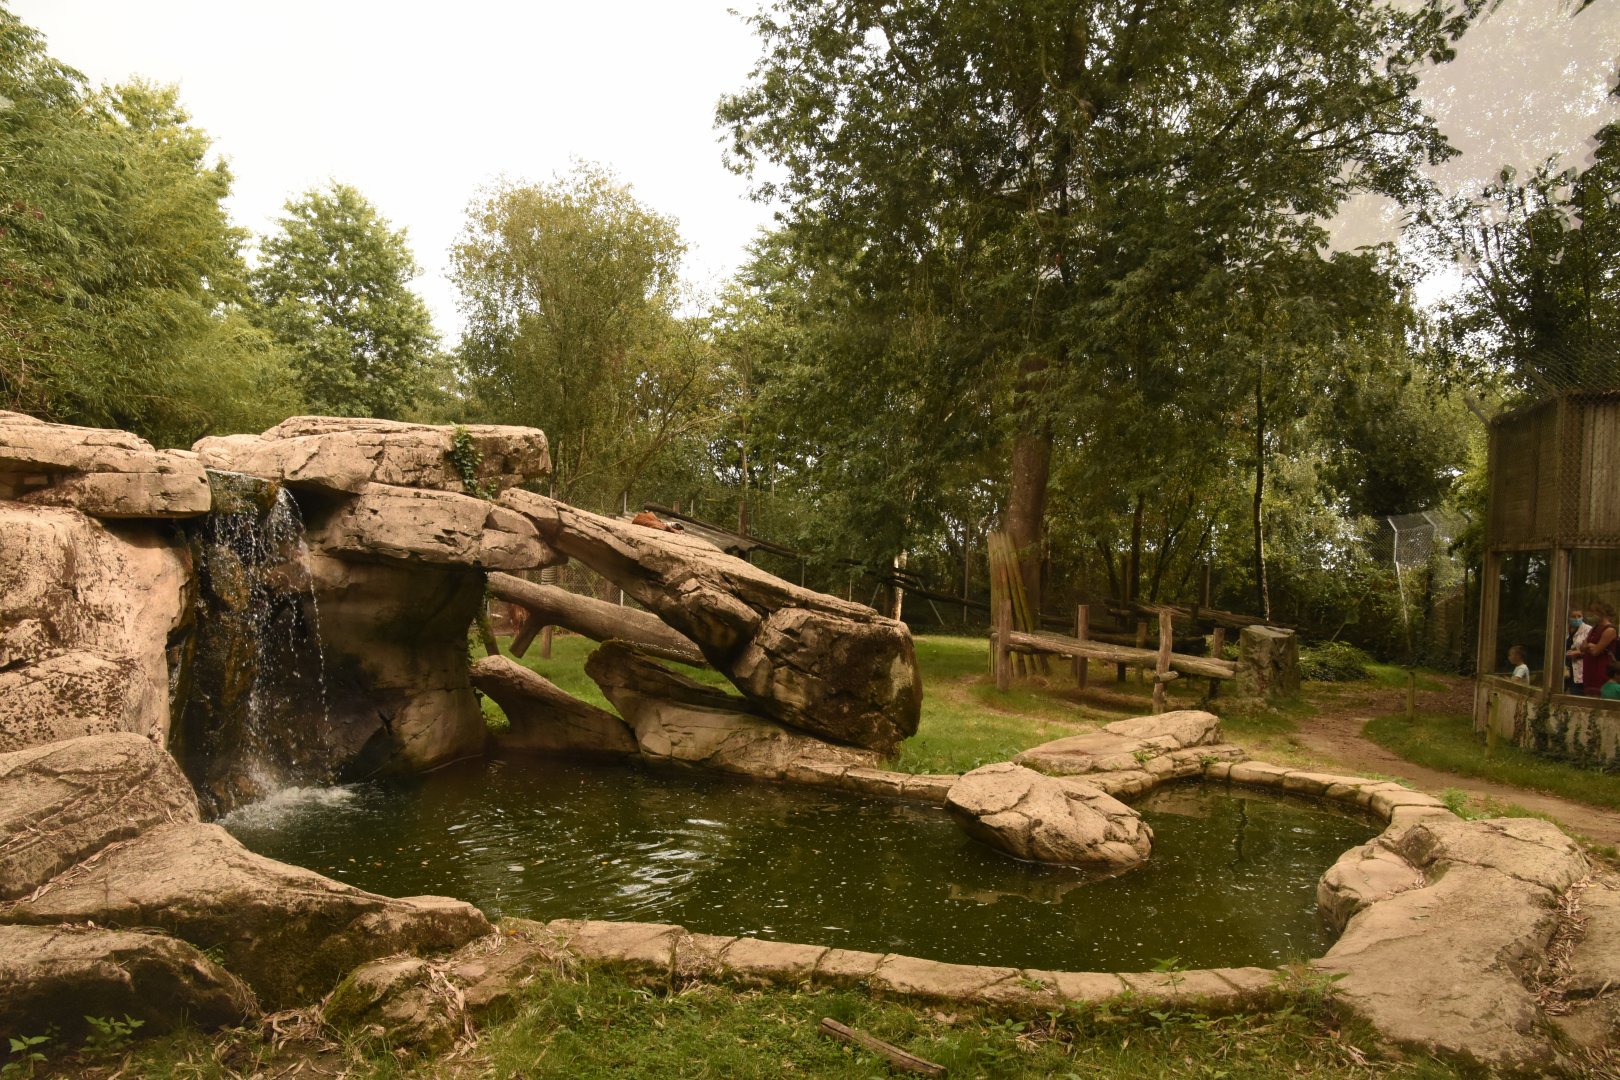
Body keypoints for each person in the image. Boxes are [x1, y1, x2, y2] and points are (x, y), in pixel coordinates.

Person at [1577, 600, 1618, 697]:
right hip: (1589, 668)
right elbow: (1582, 647)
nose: (1590, 614)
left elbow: (1596, 651)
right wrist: (1590, 646)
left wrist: (1590, 646)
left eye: (1592, 611)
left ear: (1601, 613)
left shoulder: (1609, 630)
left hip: (1601, 668)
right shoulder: (1594, 628)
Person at [1566, 609, 1592, 692]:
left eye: (1579, 616)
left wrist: (1578, 653)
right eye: (1573, 616)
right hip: (1567, 667)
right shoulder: (1565, 629)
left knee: (1578, 691)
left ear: (1582, 617)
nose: (1577, 619)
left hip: (1581, 667)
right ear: (1569, 618)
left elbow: (1591, 650)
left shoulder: (1588, 629)